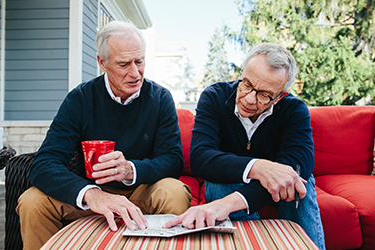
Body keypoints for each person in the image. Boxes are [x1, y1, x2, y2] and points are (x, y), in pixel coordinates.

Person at [16, 21, 191, 250]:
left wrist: (130, 169)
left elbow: (172, 160)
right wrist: (91, 193)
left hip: (140, 191)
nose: (135, 72)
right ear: (102, 63)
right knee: (32, 201)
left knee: (175, 192)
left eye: (139, 61)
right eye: (123, 64)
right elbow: (44, 163)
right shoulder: (79, 99)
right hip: (89, 196)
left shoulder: (160, 98)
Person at [164, 43, 325, 250]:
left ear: (280, 96)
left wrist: (227, 204)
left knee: (298, 182)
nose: (249, 99)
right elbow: (201, 157)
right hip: (225, 183)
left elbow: (298, 165)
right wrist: (259, 168)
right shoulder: (214, 96)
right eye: (247, 84)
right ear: (241, 72)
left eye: (264, 95)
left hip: (274, 193)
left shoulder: (294, 109)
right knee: (219, 184)